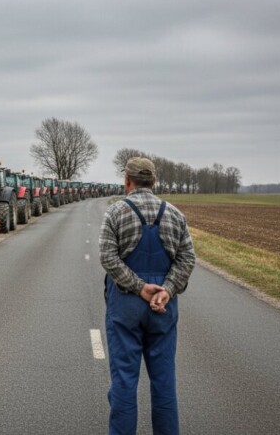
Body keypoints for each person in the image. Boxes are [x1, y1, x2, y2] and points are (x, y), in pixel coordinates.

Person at [99, 157, 196, 435]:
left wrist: (138, 287)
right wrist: (167, 288)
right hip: (162, 307)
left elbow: (107, 256)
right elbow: (188, 257)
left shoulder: (115, 212)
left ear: (127, 181)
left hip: (126, 306)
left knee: (124, 383)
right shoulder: (175, 214)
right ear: (154, 182)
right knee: (164, 382)